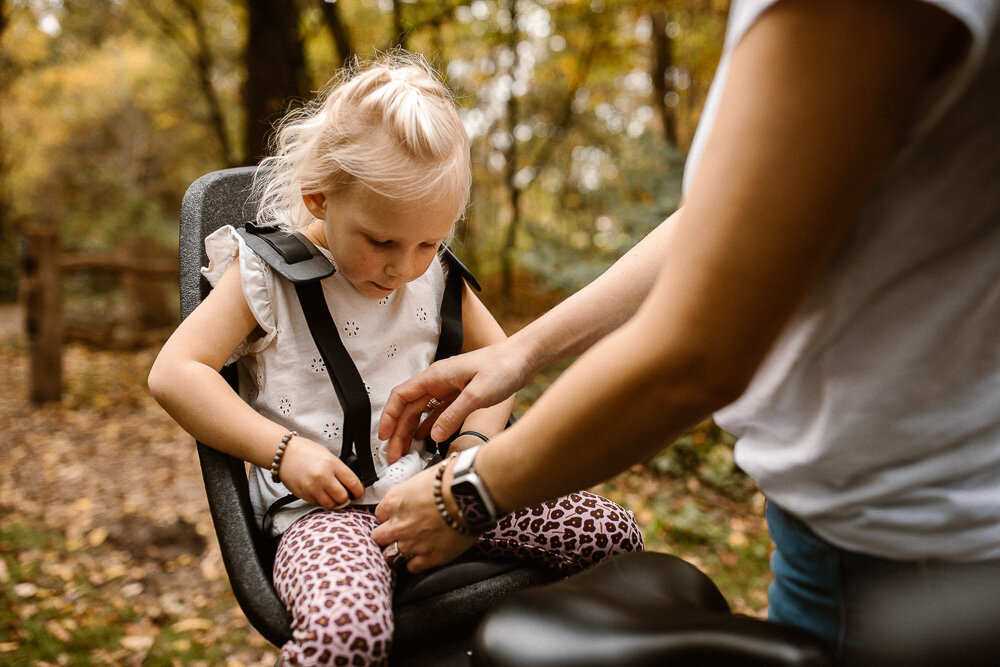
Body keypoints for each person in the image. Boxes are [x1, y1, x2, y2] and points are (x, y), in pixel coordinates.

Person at [371, 1, 1000, 662]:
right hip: (866, 521)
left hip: (908, 541)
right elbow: (729, 220)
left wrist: (464, 494)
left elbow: (697, 354)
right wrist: (523, 350)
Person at [148, 52, 642, 666]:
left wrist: (471, 453)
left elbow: (500, 359)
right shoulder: (267, 275)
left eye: (428, 242)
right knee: (345, 635)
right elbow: (174, 373)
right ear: (320, 199)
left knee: (611, 533)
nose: (405, 267)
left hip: (444, 495)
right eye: (382, 241)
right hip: (327, 518)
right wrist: (282, 451)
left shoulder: (431, 273)